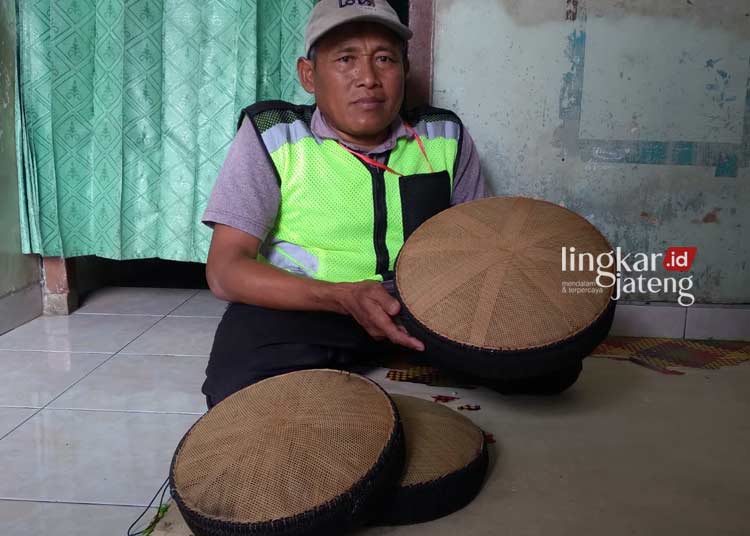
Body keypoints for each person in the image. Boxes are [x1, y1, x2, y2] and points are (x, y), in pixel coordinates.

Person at [200, 0, 490, 409]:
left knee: (548, 365)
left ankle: (400, 350)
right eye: (346, 59)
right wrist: (339, 296)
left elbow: (483, 250)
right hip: (310, 306)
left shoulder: (444, 133)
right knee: (237, 392)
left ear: (404, 71)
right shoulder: (272, 134)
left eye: (384, 59)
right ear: (308, 75)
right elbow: (226, 270)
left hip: (421, 308)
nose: (368, 78)